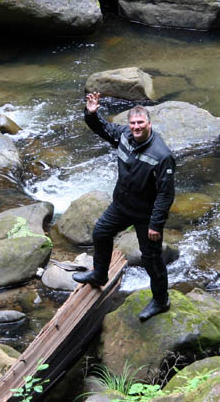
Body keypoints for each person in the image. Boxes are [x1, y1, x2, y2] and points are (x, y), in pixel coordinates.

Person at [73, 92, 175, 321]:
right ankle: (100, 275)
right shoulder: (124, 136)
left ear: (149, 123)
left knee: (151, 259)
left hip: (146, 215)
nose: (136, 127)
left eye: (140, 123)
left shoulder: (162, 155)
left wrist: (156, 224)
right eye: (133, 123)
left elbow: (166, 194)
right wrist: (91, 113)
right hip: (122, 205)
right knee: (100, 233)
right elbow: (103, 128)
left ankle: (161, 300)